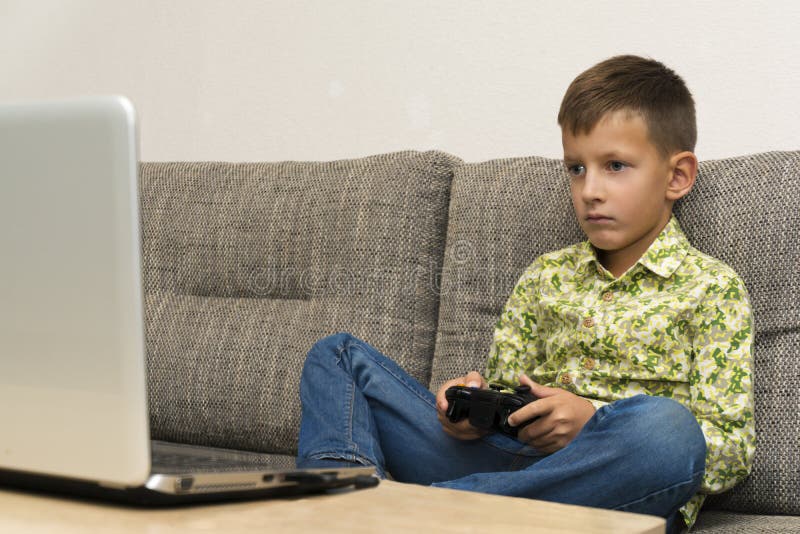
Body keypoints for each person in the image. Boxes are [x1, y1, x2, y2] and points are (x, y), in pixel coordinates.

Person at [296, 55, 754, 533]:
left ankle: (424, 513)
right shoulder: (544, 276)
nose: (589, 190)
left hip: (610, 487)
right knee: (337, 356)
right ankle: (342, 507)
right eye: (576, 169)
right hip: (505, 464)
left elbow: (730, 452)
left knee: (668, 429)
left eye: (615, 166)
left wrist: (591, 420)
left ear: (677, 176)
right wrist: (469, 412)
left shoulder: (712, 289)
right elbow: (504, 395)